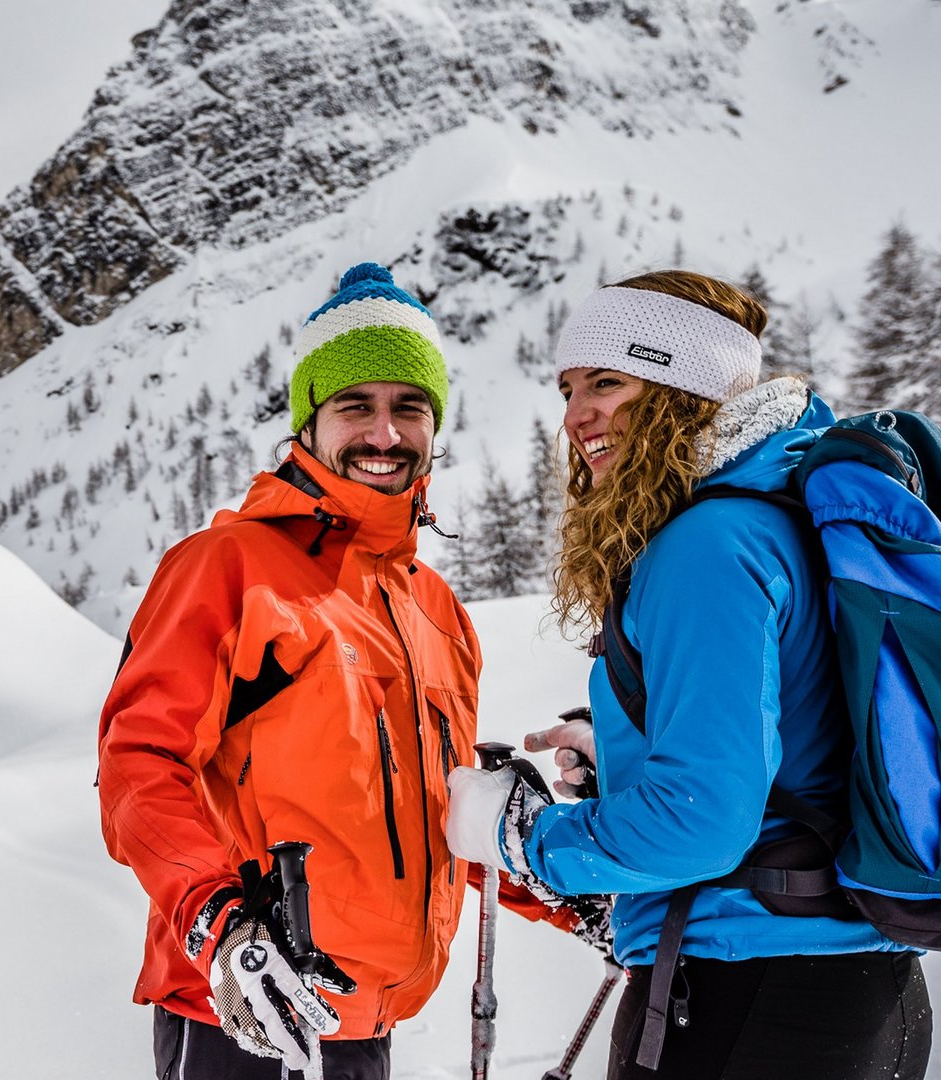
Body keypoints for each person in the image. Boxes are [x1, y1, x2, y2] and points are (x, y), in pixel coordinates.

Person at [446, 270, 933, 1079]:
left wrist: (521, 837)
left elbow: (700, 824)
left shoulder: (707, 544)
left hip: (746, 998)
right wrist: (630, 748)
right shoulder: (785, 517)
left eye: (607, 382)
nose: (576, 417)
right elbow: (797, 733)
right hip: (865, 993)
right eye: (568, 389)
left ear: (683, 391)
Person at [100, 262, 504, 1080]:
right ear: (310, 422)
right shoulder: (229, 568)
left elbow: (438, 811)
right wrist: (218, 920)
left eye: (409, 408)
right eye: (356, 405)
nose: (384, 434)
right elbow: (137, 766)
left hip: (367, 1023)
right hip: (243, 1013)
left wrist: (549, 869)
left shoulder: (437, 611)